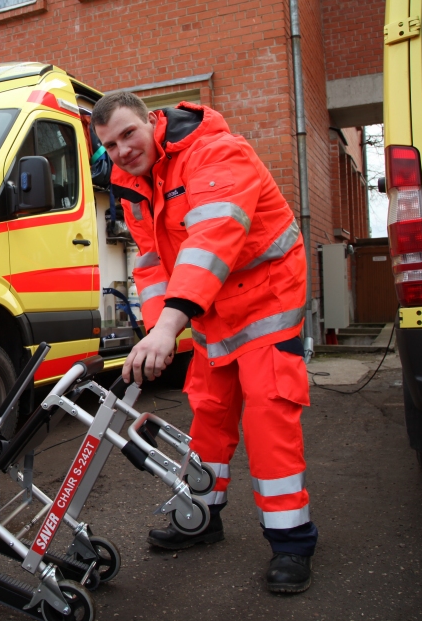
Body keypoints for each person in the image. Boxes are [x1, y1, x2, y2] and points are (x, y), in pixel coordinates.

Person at [94, 91, 317, 594]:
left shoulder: (216, 152)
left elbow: (212, 238)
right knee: (210, 411)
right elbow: (151, 263)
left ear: (152, 121)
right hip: (209, 307)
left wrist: (170, 328)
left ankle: (292, 543)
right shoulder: (129, 182)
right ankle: (202, 517)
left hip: (265, 301)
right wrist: (158, 330)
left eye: (129, 133)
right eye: (110, 144)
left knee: (267, 415)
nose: (123, 150)